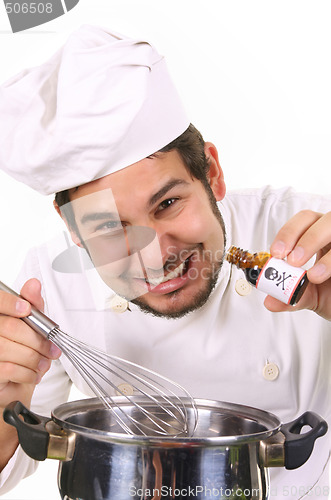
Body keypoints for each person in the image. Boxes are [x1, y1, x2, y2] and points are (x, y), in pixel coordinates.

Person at [0, 25, 330, 499]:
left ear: (211, 173)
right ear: (72, 229)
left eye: (168, 204)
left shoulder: (312, 238)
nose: (153, 256)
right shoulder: (46, 290)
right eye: (109, 228)